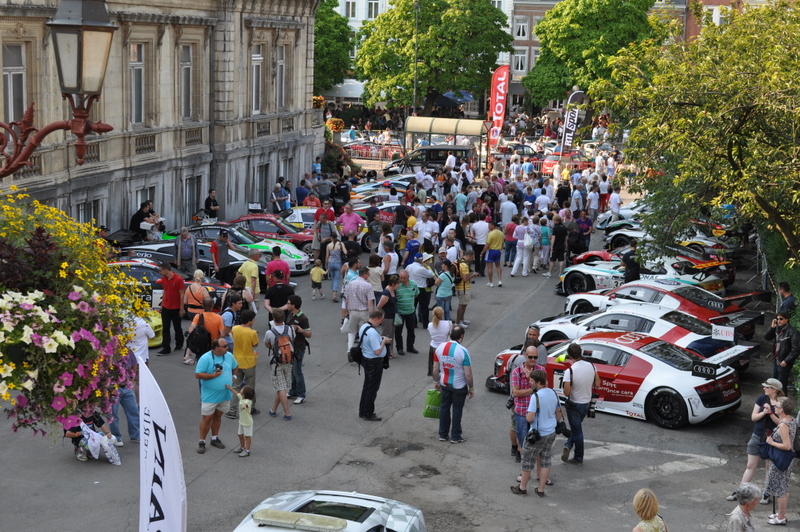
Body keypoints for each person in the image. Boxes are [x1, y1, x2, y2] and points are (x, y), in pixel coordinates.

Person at [726, 378, 783, 503]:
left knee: (769, 466)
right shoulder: (761, 399)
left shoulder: (781, 403)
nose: (764, 388)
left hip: (772, 438)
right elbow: (753, 417)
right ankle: (741, 491)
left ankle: (767, 493)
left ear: (774, 389)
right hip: (757, 435)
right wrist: (764, 412)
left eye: (766, 387)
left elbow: (782, 423)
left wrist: (771, 414)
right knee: (750, 465)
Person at [510, 369, 562, 496]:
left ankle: (522, 488)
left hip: (538, 433)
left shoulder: (536, 397)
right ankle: (541, 489)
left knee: (528, 460)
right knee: (545, 460)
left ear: (538, 382)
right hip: (551, 432)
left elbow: (530, 418)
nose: (529, 382)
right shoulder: (553, 393)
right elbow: (559, 414)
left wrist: (529, 415)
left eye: (531, 380)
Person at [109, 315, 150, 446]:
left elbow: (134, 363)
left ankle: (135, 435)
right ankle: (116, 437)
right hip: (113, 388)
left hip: (125, 387)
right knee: (113, 416)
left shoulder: (126, 350)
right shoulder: (108, 352)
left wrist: (131, 378)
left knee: (132, 411)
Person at [195, 338, 237, 454]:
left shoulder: (228, 356)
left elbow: (235, 366)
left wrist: (234, 377)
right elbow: (198, 375)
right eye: (225, 346)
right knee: (207, 418)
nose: (227, 348)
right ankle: (201, 441)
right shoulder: (205, 358)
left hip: (224, 394)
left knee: (218, 416)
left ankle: (214, 438)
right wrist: (213, 376)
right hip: (210, 395)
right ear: (217, 348)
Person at [432, 325, 473, 443]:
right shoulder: (463, 351)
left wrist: (436, 381)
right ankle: (455, 436)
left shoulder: (439, 348)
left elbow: (435, 368)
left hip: (444, 384)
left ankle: (443, 434)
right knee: (457, 410)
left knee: (444, 408)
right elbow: (468, 374)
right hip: (459, 386)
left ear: (450, 335)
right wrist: (471, 387)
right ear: (462, 336)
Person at [561, 344, 600, 465]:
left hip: (574, 404)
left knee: (577, 431)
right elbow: (597, 383)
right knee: (576, 428)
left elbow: (567, 392)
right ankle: (568, 444)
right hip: (586, 404)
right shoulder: (592, 366)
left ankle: (578, 457)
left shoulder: (570, 371)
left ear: (569, 355)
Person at [763, 396, 797, 525]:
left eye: (776, 406)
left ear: (781, 410)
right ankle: (781, 513)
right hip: (786, 459)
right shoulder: (790, 420)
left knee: (780, 489)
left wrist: (771, 442)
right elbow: (782, 424)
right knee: (784, 487)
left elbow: (787, 446)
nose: (774, 407)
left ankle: (781, 517)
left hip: (781, 459)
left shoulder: (783, 425)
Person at [358, 309, 392, 421]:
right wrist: (384, 341)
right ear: (376, 318)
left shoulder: (364, 327)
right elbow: (377, 351)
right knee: (372, 389)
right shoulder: (372, 332)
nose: (381, 322)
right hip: (374, 362)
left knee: (367, 387)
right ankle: (368, 413)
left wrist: (380, 339)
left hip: (366, 359)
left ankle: (363, 411)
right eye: (381, 320)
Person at [225, 309, 259, 419]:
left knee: (236, 386)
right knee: (250, 387)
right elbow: (256, 344)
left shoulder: (235, 329)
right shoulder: (252, 332)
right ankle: (250, 408)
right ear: (250, 321)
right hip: (249, 362)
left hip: (236, 361)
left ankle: (232, 410)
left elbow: (232, 338)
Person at [264, 309, 295, 420]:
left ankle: (287, 413)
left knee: (281, 387)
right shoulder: (290, 329)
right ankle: (273, 409)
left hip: (276, 362)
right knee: (281, 386)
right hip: (288, 360)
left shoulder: (270, 332)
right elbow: (292, 340)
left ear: (274, 319)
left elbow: (267, 345)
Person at [764, 311, 800, 392]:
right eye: (777, 319)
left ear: (787, 319)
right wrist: (772, 327)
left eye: (781, 319)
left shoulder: (792, 332)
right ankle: (774, 401)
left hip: (784, 362)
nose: (779, 321)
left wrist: (786, 361)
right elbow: (767, 337)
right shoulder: (778, 329)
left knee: (781, 385)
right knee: (772, 383)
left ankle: (782, 403)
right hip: (776, 360)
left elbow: (796, 349)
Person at [285, 295, 312, 405]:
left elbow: (309, 334)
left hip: (298, 348)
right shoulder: (290, 314)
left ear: (294, 305)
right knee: (292, 370)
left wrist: (301, 330)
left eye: (288, 303)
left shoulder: (302, 318)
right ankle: (293, 391)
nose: (287, 305)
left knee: (297, 371)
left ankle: (301, 394)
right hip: (290, 347)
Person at [185, 297, 224, 364]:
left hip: (201, 346)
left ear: (202, 305)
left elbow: (191, 330)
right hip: (213, 346)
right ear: (212, 305)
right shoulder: (219, 318)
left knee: (201, 366)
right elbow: (222, 334)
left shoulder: (198, 316)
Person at [157, 261, 185, 355]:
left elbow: (182, 294)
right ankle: (166, 347)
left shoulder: (178, 279)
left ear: (166, 270)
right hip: (166, 306)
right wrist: (162, 304)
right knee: (166, 328)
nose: (160, 272)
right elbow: (165, 291)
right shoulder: (164, 279)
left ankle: (179, 343)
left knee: (177, 327)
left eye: (161, 270)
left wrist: (181, 308)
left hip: (176, 307)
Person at [224, 384, 254, 457]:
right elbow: (237, 393)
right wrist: (230, 388)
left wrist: (244, 406)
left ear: (245, 393)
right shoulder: (242, 398)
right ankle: (242, 447)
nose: (241, 389)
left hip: (247, 422)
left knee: (247, 436)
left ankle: (247, 450)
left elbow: (246, 404)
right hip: (241, 421)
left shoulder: (248, 401)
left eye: (242, 389)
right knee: (240, 435)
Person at [394, 271, 419, 356]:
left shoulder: (413, 284)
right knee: (398, 331)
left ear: (408, 277)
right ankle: (399, 348)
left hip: (410, 311)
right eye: (401, 278)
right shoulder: (397, 285)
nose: (402, 279)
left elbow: (416, 294)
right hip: (400, 312)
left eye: (404, 278)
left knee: (411, 330)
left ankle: (410, 346)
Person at [407, 252, 435, 328]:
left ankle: (414, 323)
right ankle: (425, 324)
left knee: (413, 307)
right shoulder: (420, 269)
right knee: (424, 307)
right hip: (421, 288)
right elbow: (430, 274)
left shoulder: (408, 267)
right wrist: (426, 267)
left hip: (411, 288)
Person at [377, 274, 400, 358]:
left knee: (391, 335)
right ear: (393, 284)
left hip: (393, 317)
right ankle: (384, 353)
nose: (399, 285)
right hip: (387, 317)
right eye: (398, 284)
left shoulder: (392, 291)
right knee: (386, 335)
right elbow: (379, 306)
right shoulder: (386, 293)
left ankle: (390, 351)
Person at [454, 250, 477, 329]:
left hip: (458, 286)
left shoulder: (458, 260)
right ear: (470, 256)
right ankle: (458, 322)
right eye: (472, 258)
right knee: (462, 305)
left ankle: (461, 319)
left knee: (463, 304)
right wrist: (473, 275)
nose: (472, 259)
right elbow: (465, 279)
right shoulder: (464, 265)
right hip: (463, 287)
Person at [544, 214, 567, 279]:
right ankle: (560, 273)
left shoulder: (555, 228)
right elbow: (566, 237)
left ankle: (550, 272)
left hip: (555, 246)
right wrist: (565, 244)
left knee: (552, 260)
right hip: (562, 245)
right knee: (561, 260)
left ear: (556, 221)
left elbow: (553, 237)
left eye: (554, 220)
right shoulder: (564, 227)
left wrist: (552, 246)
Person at [325, 233, 347, 302]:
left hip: (330, 263)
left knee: (332, 278)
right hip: (338, 263)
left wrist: (326, 265)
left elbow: (327, 256)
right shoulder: (341, 244)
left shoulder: (328, 245)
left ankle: (333, 292)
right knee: (337, 279)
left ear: (331, 237)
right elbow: (345, 252)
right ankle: (334, 294)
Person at [483, 220, 504, 287]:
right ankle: (499, 280)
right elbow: (503, 242)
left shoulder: (490, 234)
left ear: (492, 226)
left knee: (489, 267)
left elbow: (487, 244)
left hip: (491, 251)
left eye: (489, 225)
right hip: (498, 250)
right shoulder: (501, 233)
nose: (488, 227)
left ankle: (491, 282)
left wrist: (482, 252)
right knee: (498, 265)